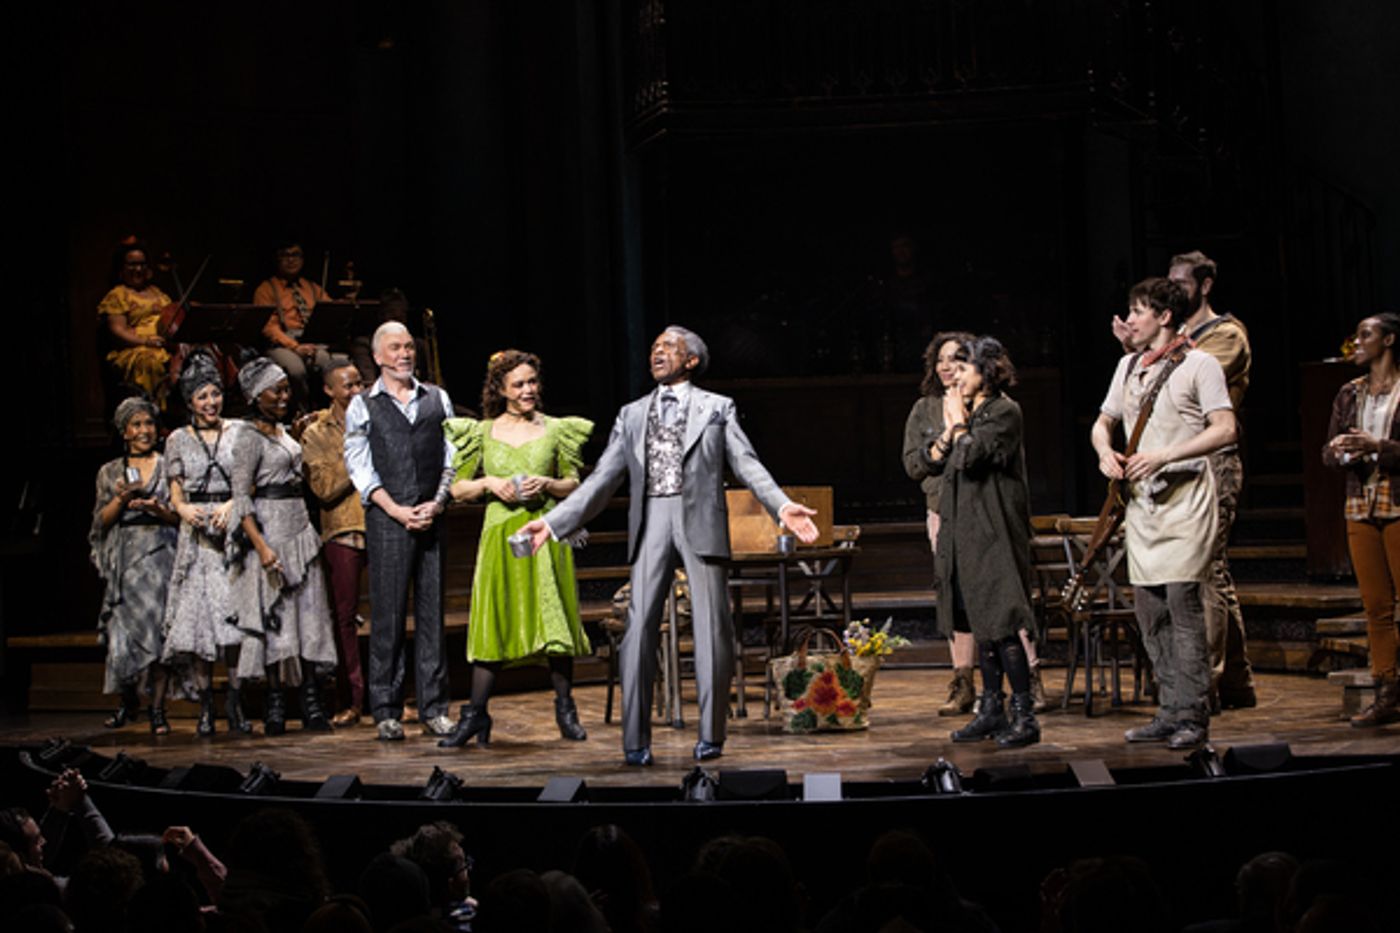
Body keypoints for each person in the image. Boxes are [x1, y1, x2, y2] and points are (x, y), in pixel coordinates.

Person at [524, 326, 819, 765]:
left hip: (700, 519)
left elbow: (747, 464)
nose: (657, 352)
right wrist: (554, 521)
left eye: (669, 347)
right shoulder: (632, 414)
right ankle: (636, 742)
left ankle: (711, 735)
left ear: (692, 360)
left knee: (712, 630)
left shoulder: (717, 408)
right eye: (654, 347)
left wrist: (780, 507)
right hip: (652, 521)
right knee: (638, 631)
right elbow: (603, 479)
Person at [1092, 277, 1236, 749]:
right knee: (1149, 610)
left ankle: (1193, 713)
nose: (1129, 319)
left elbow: (1225, 429)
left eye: (1138, 311)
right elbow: (1103, 422)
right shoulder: (1129, 365)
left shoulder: (1200, 364)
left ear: (1164, 316)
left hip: (1186, 500)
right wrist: (1104, 453)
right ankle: (1169, 707)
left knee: (1183, 607)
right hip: (1144, 504)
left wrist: (1168, 454)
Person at [1114, 250, 1256, 711]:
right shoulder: (1155, 351)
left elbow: (1179, 380)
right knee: (1212, 577)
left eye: (1181, 280)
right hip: (1162, 468)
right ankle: (1230, 682)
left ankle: (1202, 690)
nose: (1175, 285)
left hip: (1208, 464)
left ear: (1204, 285)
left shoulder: (1222, 339)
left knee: (1203, 577)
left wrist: (1140, 349)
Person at [439, 351, 594, 747]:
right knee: (495, 617)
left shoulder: (557, 429)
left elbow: (575, 484)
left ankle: (565, 709)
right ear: (500, 388)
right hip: (500, 534)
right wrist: (491, 484)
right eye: (519, 384)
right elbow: (458, 489)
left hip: (544, 531)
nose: (528, 390)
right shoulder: (481, 431)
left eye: (532, 382)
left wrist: (548, 483)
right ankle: (475, 714)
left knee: (553, 620)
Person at [903, 331, 1049, 716]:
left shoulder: (1002, 411)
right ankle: (989, 708)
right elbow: (924, 463)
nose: (954, 375)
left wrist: (956, 425)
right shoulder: (958, 411)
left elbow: (969, 457)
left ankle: (1022, 709)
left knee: (1001, 621)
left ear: (984, 372)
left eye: (963, 366)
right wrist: (949, 432)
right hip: (961, 528)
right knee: (977, 623)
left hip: (992, 531)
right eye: (948, 364)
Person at [344, 322, 456, 741]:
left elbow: (453, 454)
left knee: (431, 616)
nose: (404, 353)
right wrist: (396, 509)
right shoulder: (363, 405)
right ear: (377, 356)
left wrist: (438, 501)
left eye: (409, 346)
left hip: (431, 515)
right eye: (395, 348)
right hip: (389, 519)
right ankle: (386, 709)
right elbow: (359, 466)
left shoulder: (436, 398)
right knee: (388, 616)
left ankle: (434, 707)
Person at [227, 357, 338, 734]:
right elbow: (240, 499)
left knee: (308, 615)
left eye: (287, 389)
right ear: (256, 395)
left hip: (299, 528)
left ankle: (311, 700)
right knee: (276, 617)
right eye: (276, 390)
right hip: (270, 529)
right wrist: (260, 547)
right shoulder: (246, 437)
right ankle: (275, 703)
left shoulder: (282, 433)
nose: (284, 396)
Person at [160, 355, 249, 735]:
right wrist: (182, 509)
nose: (211, 402)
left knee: (233, 622)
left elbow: (251, 477)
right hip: (197, 536)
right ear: (189, 402)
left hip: (233, 528)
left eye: (215, 394)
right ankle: (206, 708)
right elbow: (175, 489)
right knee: (200, 625)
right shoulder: (178, 439)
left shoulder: (240, 431)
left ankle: (236, 704)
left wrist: (233, 503)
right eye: (202, 397)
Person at [1322, 312, 1400, 727]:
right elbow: (1327, 453)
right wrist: (1342, 451)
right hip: (1361, 505)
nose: (1357, 342)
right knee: (1376, 605)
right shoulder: (1349, 393)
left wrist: (1379, 446)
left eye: (1365, 335)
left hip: (1396, 502)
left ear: (1388, 341)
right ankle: (1387, 689)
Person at [89, 397, 179, 734]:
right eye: (137, 425)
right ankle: (128, 702)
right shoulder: (110, 471)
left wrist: (157, 509)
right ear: (124, 431)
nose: (144, 431)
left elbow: (177, 516)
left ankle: (158, 708)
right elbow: (101, 522)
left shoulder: (169, 464)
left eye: (149, 424)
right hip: (126, 559)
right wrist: (122, 498)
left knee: (159, 636)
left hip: (160, 555)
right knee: (123, 635)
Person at [301, 358, 369, 727]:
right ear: (329, 390)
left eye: (360, 384)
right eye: (348, 386)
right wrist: (358, 454)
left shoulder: (376, 418)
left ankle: (394, 696)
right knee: (344, 618)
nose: (356, 391)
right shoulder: (317, 433)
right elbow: (324, 488)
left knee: (392, 615)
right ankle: (351, 699)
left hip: (381, 522)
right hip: (342, 529)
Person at [253, 240, 332, 411]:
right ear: (277, 259)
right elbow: (269, 327)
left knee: (326, 362)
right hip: (283, 342)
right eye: (285, 255)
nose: (291, 260)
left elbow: (330, 313)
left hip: (311, 340)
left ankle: (325, 410)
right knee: (296, 370)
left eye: (295, 255)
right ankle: (301, 413)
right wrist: (295, 347)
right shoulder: (266, 289)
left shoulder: (313, 288)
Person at [97, 238, 172, 405]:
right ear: (121, 268)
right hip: (136, 349)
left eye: (142, 264)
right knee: (149, 362)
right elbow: (118, 330)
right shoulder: (118, 295)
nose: (138, 269)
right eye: (132, 264)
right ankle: (156, 414)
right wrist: (146, 342)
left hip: (164, 345)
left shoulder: (157, 292)